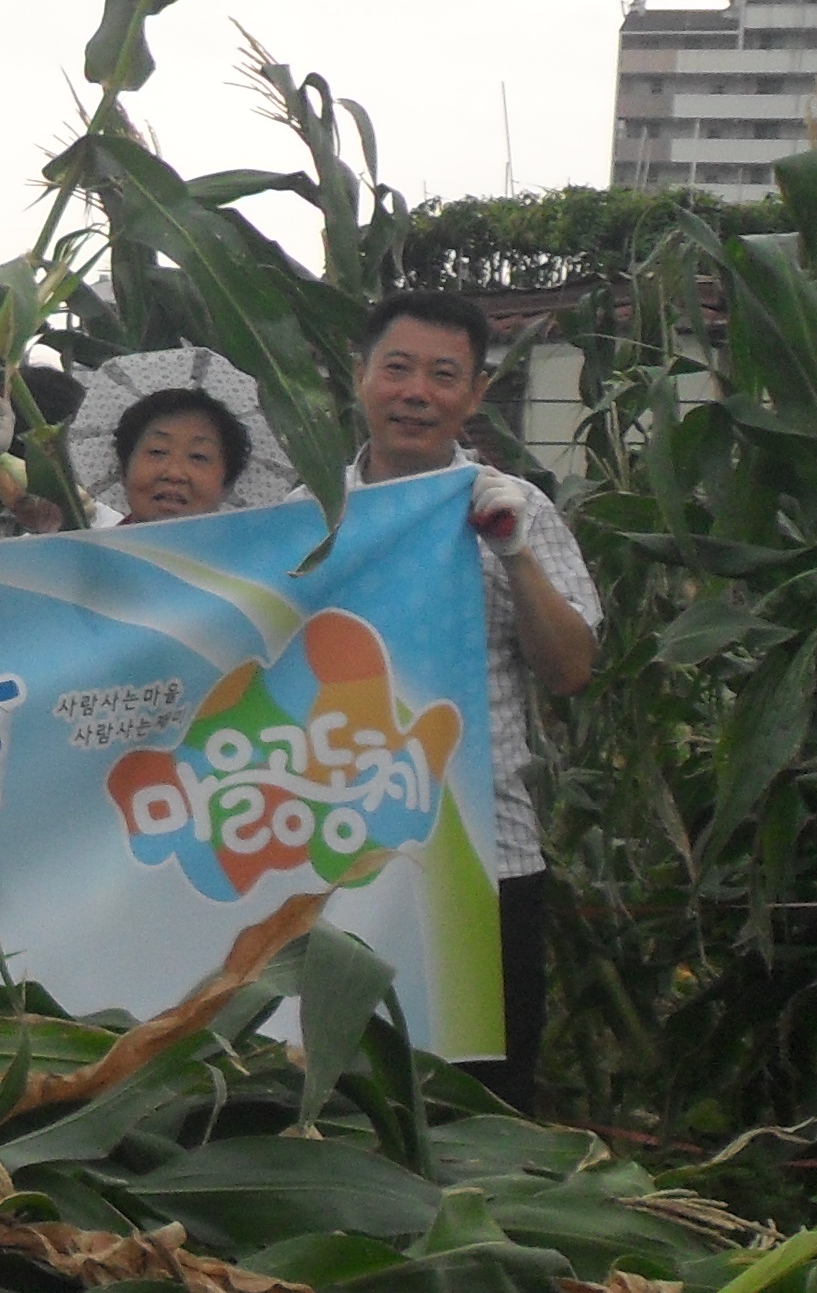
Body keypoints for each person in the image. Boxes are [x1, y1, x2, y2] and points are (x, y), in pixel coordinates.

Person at [347, 290, 597, 1114]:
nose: (416, 391)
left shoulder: (513, 510)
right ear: (362, 379)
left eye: (443, 374)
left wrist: (515, 555)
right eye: (399, 368)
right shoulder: (310, 520)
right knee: (338, 1092)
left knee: (478, 1107)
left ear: (475, 395)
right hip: (330, 852)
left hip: (485, 855)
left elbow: (569, 669)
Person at [63, 349, 296, 527]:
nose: (174, 474)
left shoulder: (264, 575)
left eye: (198, 457)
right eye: (157, 452)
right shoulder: (82, 568)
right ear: (122, 469)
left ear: (228, 483)